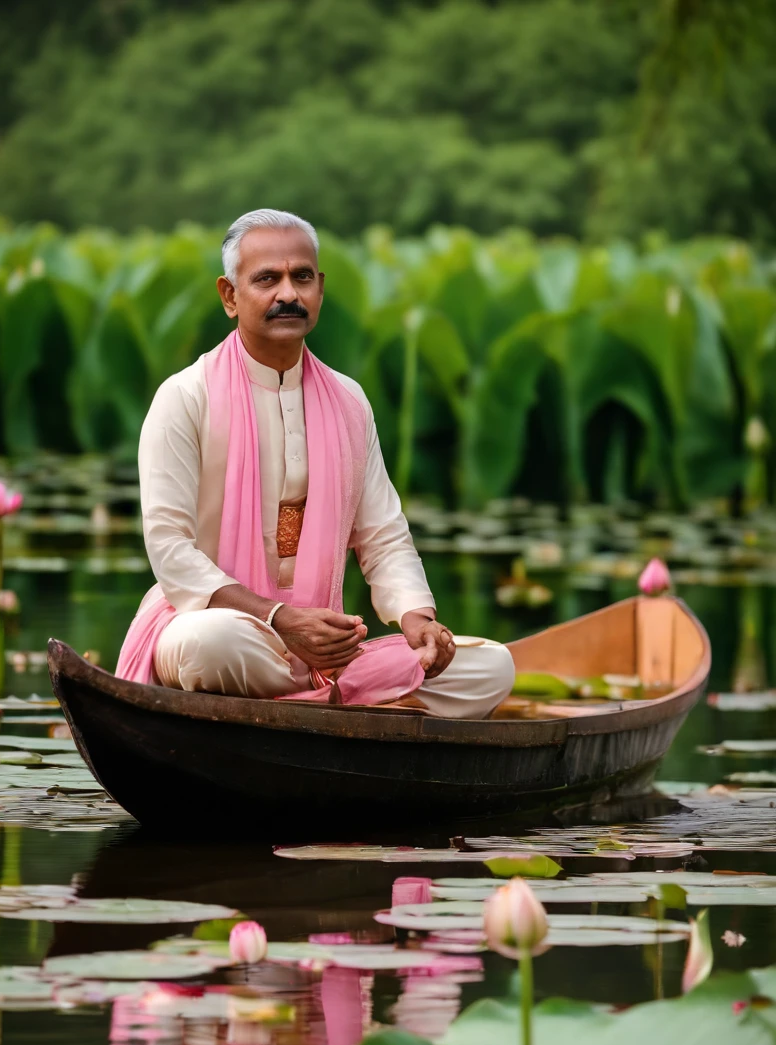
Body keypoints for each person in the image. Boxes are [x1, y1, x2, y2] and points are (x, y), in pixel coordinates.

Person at [115, 209, 514, 719]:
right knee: (207, 645)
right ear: (229, 296)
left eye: (301, 277)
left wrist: (418, 618)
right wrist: (279, 619)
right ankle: (343, 705)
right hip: (222, 629)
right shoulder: (186, 397)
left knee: (492, 667)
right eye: (267, 279)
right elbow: (170, 550)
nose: (288, 294)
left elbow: (383, 535)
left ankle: (317, 697)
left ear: (320, 289)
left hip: (326, 653)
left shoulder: (349, 401)